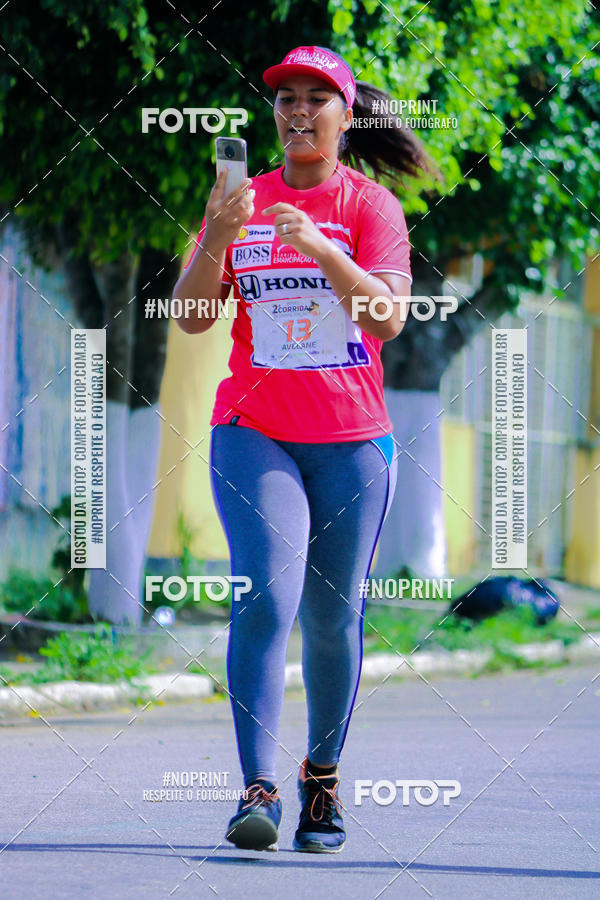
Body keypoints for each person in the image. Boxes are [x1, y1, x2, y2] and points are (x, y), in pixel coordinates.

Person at [174, 45, 431, 853]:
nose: (296, 111)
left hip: (354, 443)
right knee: (266, 599)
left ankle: (321, 779)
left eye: (315, 98)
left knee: (332, 615)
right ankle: (256, 787)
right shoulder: (239, 202)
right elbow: (188, 317)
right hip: (253, 431)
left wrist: (323, 250)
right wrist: (217, 233)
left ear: (345, 116)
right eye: (285, 98)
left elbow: (388, 318)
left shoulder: (372, 207)